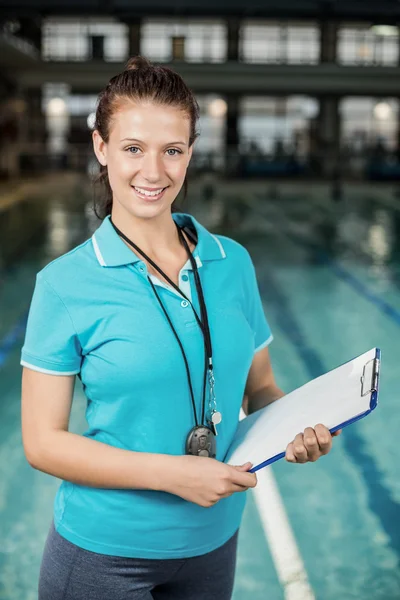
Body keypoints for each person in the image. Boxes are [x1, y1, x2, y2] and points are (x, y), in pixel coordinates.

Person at [20, 56, 340, 600]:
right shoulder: (64, 284)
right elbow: (43, 443)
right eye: (133, 148)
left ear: (190, 153)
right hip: (105, 553)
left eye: (172, 150)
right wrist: (173, 474)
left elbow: (259, 386)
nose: (154, 172)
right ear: (101, 148)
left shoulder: (231, 261)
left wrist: (297, 425)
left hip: (214, 542)